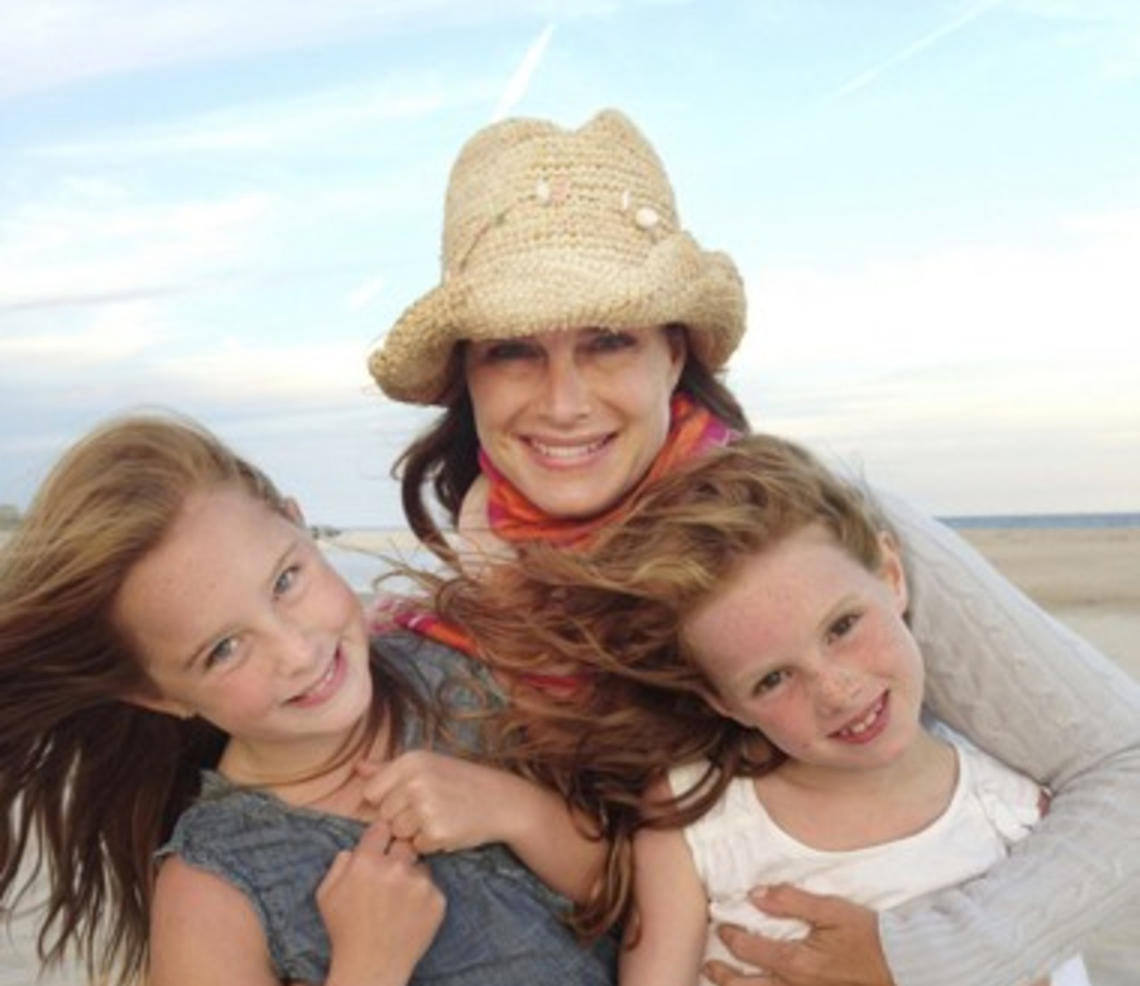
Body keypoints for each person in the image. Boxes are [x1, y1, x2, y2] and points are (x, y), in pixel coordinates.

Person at [367, 107, 1140, 986]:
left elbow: (1126, 765)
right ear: (465, 380)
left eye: (607, 340)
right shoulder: (458, 618)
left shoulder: (821, 541)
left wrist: (910, 955)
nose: (565, 401)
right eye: (513, 351)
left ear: (675, 353)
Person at [434, 434, 1092, 986]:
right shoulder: (695, 819)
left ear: (891, 575)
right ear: (721, 700)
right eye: (774, 678)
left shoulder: (1013, 811)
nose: (835, 690)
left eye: (841, 627)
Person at [0, 414, 615, 986]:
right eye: (223, 650)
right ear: (157, 695)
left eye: (286, 581)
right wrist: (367, 966)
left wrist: (514, 810)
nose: (296, 652)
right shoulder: (213, 895)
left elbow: (638, 890)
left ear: (299, 523)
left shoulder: (459, 670)